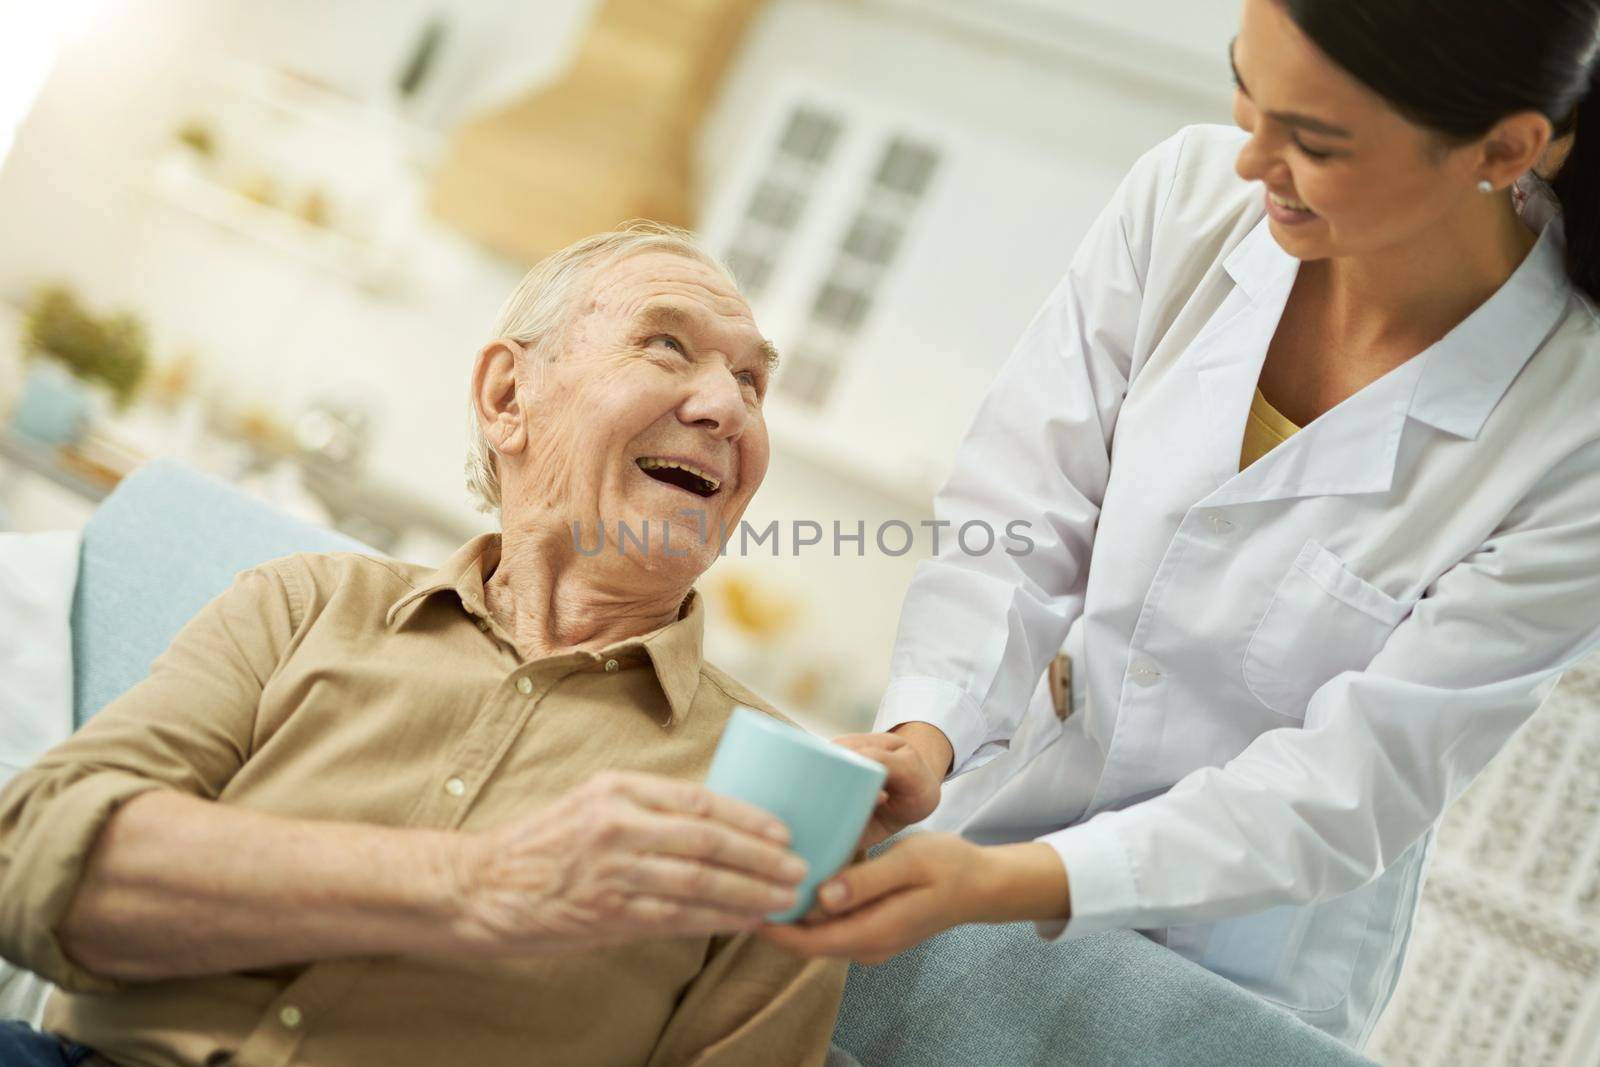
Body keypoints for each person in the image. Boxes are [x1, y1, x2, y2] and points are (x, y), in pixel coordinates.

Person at [766, 0, 1600, 1049]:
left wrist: (1010, 879)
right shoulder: (1186, 199)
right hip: (1004, 835)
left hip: (1241, 966)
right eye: (1246, 89)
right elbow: (1020, 515)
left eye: (1314, 140)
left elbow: (1347, 786)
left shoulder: (1574, 433)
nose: (1254, 159)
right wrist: (925, 729)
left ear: (1501, 148)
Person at [0, 223, 848, 1066]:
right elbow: (30, 861)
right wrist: (476, 883)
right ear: (508, 398)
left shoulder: (780, 789)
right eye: (667, 345)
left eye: (751, 381)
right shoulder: (304, 605)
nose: (728, 407)